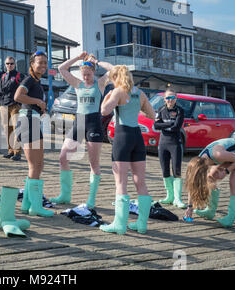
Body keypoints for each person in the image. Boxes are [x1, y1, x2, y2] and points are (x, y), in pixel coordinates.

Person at [51, 52, 112, 209]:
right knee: (63, 157)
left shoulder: (99, 84)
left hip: (94, 124)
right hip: (79, 122)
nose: (85, 77)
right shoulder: (77, 84)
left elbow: (114, 69)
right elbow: (61, 68)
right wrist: (78, 58)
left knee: (94, 163)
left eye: (88, 75)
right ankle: (65, 195)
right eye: (83, 75)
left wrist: (97, 61)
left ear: (93, 72)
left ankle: (91, 199)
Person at [99, 65, 155, 235]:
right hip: (137, 137)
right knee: (141, 182)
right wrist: (136, 108)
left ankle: (120, 225)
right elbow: (152, 116)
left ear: (116, 77)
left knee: (121, 182)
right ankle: (142, 224)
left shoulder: (117, 92)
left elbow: (104, 111)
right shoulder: (140, 93)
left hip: (122, 137)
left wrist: (107, 96)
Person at [14, 51, 54, 217]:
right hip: (28, 121)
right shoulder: (29, 79)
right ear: (32, 64)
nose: (43, 66)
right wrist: (38, 101)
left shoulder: (37, 81)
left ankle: (27, 203)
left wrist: (41, 108)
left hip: (33, 120)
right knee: (35, 165)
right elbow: (18, 96)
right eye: (40, 63)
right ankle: (35, 206)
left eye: (45, 63)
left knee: (39, 164)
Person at [184, 138, 235, 227]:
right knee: (210, 177)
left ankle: (230, 218)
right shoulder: (199, 159)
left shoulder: (218, 155)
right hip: (229, 155)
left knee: (233, 182)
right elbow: (192, 185)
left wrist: (226, 171)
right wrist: (190, 207)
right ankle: (210, 211)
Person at [154, 88, 187, 208]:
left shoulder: (180, 110)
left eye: (172, 97)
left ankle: (177, 199)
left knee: (176, 170)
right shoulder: (160, 109)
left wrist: (164, 125)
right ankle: (170, 196)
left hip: (175, 144)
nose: (170, 100)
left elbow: (177, 127)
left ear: (176, 98)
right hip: (163, 144)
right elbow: (156, 125)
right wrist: (168, 124)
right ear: (164, 99)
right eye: (168, 98)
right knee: (165, 170)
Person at [0, 56, 24, 161]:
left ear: (15, 64)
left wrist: (19, 103)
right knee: (7, 129)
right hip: (4, 106)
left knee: (16, 129)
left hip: (15, 105)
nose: (9, 65)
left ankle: (17, 152)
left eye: (11, 63)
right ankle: (10, 151)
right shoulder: (3, 76)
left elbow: (23, 89)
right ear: (5, 64)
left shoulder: (19, 75)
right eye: (7, 63)